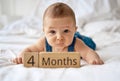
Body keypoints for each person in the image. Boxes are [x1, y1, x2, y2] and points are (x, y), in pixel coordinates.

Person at [13, 2, 104, 65]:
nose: (59, 37)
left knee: (91, 44)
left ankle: (79, 35)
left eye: (66, 31)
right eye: (52, 32)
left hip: (81, 39)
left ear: (74, 30)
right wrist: (21, 56)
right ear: (44, 31)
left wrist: (93, 59)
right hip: (71, 36)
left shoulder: (77, 43)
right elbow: (29, 49)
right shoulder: (43, 43)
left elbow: (88, 52)